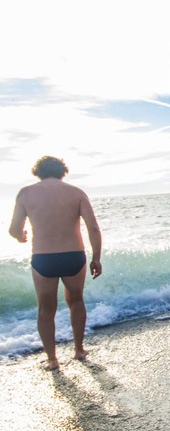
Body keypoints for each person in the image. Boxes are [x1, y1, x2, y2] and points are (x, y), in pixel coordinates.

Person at [8, 156, 103, 370]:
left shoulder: (25, 193)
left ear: (37, 171)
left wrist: (20, 236)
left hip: (44, 258)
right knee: (76, 301)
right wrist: (96, 258)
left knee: (45, 309)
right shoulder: (76, 193)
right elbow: (93, 228)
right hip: (73, 256)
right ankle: (79, 350)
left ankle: (52, 359)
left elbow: (14, 228)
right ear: (63, 171)